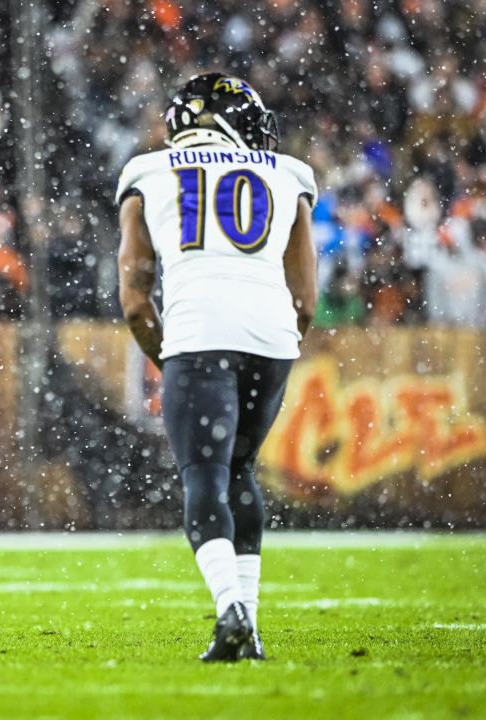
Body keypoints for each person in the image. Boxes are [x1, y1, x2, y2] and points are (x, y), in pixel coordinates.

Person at [116, 73, 318, 663]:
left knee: (202, 475)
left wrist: (170, 355)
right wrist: (280, 344)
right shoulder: (289, 174)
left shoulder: (147, 173)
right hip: (273, 336)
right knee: (241, 471)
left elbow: (134, 297)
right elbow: (306, 299)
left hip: (199, 330)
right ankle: (248, 627)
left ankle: (230, 607)